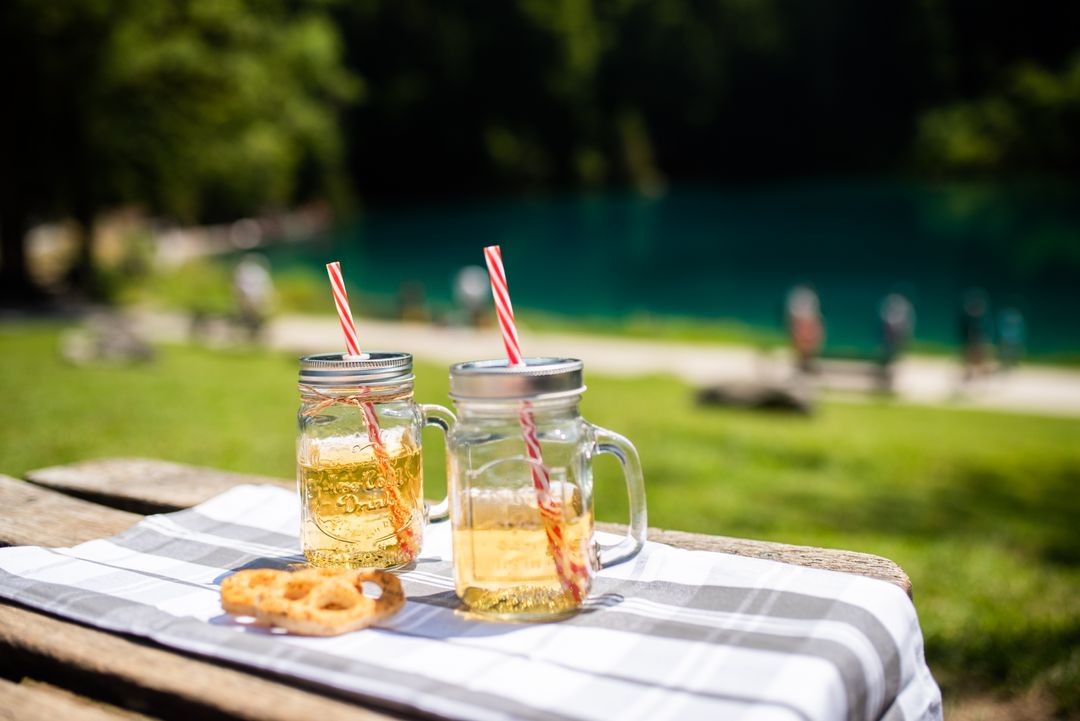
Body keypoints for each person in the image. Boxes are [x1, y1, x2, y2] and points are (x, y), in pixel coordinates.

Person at [877, 290, 915, 392]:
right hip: (889, 342)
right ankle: (885, 383)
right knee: (887, 362)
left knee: (894, 363)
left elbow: (906, 327)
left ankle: (889, 384)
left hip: (895, 341)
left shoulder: (904, 308)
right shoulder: (894, 305)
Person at [233, 254, 274, 342]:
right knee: (252, 312)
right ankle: (252, 329)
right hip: (252, 298)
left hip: (254, 298)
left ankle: (254, 329)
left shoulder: (254, 272)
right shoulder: (251, 272)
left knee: (255, 312)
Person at [785, 284, 824, 373]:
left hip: (804, 320)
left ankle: (806, 364)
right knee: (805, 343)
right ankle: (804, 364)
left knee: (807, 343)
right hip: (803, 320)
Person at [958, 288, 991, 381]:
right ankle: (969, 375)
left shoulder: (980, 319)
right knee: (969, 360)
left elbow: (983, 332)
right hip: (971, 341)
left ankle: (981, 376)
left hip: (978, 342)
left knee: (979, 361)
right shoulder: (969, 317)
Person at [997, 306, 1026, 371]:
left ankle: (1013, 362)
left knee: (1013, 351)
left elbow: (1020, 329)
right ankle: (1005, 362)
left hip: (1013, 337)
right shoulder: (1007, 319)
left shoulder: (1018, 319)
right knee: (1005, 351)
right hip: (1007, 337)